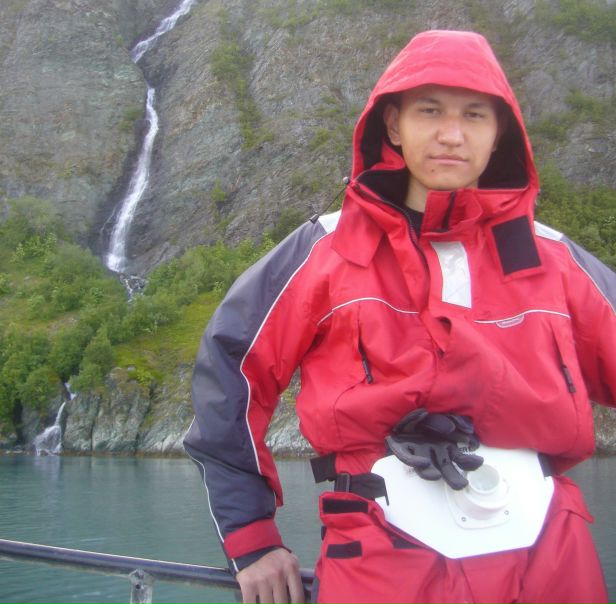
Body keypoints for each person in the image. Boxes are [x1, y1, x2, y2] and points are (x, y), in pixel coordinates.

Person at [184, 30, 616, 604]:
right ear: (392, 126)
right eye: (429, 111)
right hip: (383, 560)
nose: (451, 134)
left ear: (500, 133)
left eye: (474, 115)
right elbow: (231, 370)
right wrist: (251, 537)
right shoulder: (325, 252)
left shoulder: (554, 259)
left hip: (551, 558)